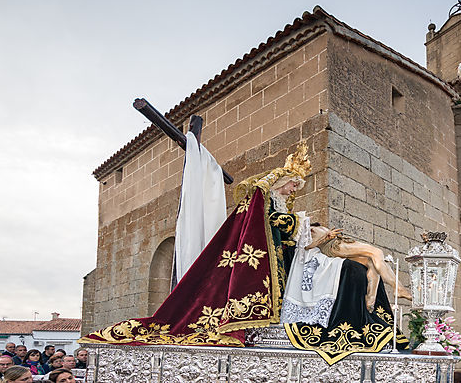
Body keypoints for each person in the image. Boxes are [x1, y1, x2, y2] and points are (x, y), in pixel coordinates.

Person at [80, 144, 407, 365]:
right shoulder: (264, 204)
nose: (296, 190)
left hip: (295, 258)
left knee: (357, 266)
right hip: (284, 263)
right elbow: (280, 234)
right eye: (294, 184)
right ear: (281, 182)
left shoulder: (278, 207)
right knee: (350, 270)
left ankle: (366, 318)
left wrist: (308, 233)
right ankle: (349, 320)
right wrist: (307, 231)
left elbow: (290, 234)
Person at [303, 224, 412, 310]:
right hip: (334, 245)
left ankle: (370, 299)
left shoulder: (317, 227)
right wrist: (325, 237)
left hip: (338, 243)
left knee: (371, 262)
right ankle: (398, 288)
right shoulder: (309, 229)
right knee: (376, 252)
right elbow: (306, 247)